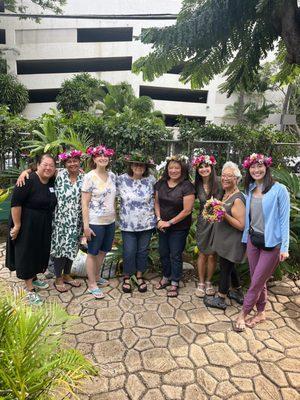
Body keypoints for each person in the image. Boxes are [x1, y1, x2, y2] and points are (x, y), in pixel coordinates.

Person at [234, 154, 290, 332]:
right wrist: (245, 239)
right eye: (252, 167)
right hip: (253, 240)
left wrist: (285, 247)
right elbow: (250, 219)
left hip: (271, 243)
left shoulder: (279, 189)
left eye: (260, 166)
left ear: (267, 167)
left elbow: (284, 220)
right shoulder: (250, 188)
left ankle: (243, 313)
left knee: (256, 281)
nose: (256, 170)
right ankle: (261, 312)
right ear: (248, 170)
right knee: (259, 279)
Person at [5, 154, 57, 305]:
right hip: (26, 222)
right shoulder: (27, 179)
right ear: (38, 165)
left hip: (43, 223)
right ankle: (30, 290)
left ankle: (34, 278)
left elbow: (66, 169)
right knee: (27, 252)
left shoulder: (51, 180)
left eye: (51, 165)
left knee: (39, 251)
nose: (48, 168)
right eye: (45, 164)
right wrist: (17, 225)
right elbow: (15, 203)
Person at [204, 161, 246, 310]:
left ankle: (221, 298)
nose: (225, 178)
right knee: (230, 266)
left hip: (232, 242)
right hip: (225, 240)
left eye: (230, 176)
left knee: (225, 268)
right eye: (223, 175)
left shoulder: (238, 199)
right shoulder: (227, 193)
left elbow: (241, 225)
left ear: (237, 179)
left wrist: (224, 215)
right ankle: (238, 292)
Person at [155, 155, 195, 297]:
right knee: (163, 253)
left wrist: (169, 222)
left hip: (179, 227)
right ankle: (166, 277)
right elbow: (157, 203)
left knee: (175, 255)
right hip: (162, 226)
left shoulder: (187, 186)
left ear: (182, 169)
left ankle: (175, 281)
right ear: (167, 169)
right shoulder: (161, 183)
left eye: (177, 168)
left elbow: (187, 210)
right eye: (171, 168)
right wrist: (159, 219)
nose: (173, 170)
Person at [117, 152, 156, 293]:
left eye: (141, 165)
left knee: (142, 251)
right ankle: (127, 276)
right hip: (128, 224)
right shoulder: (121, 180)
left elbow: (157, 198)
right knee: (129, 251)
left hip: (146, 223)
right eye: (135, 164)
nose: (138, 167)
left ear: (146, 167)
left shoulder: (151, 180)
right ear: (131, 166)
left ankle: (139, 276)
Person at [82, 145, 116, 299]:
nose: (103, 158)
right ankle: (91, 284)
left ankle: (96, 276)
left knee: (103, 251)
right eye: (99, 156)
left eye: (105, 156)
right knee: (92, 252)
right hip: (95, 221)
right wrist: (86, 226)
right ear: (94, 159)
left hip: (110, 221)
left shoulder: (112, 176)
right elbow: (84, 203)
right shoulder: (89, 176)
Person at [50, 150, 83, 292]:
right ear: (65, 163)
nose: (72, 163)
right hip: (60, 220)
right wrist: (24, 172)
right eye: (69, 161)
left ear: (79, 162)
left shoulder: (85, 177)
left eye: (75, 160)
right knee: (60, 247)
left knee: (72, 247)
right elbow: (39, 169)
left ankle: (67, 275)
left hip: (76, 220)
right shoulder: (58, 173)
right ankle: (58, 277)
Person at [192, 154, 222, 298]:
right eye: (201, 167)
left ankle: (209, 282)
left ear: (211, 167)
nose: (204, 169)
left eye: (206, 166)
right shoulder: (196, 185)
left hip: (217, 222)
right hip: (203, 222)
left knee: (212, 254)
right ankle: (201, 282)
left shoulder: (220, 182)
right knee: (203, 252)